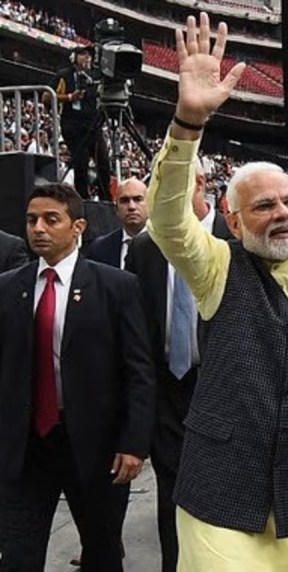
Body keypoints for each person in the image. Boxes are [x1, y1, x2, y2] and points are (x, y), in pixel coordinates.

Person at [145, 13, 288, 571]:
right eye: (264, 205)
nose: (284, 214)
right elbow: (169, 223)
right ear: (232, 216)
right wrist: (187, 125)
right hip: (223, 495)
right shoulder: (217, 266)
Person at [0, 182, 155, 572]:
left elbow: (138, 371)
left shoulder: (116, 286)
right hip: (26, 446)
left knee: (101, 552)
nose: (38, 228)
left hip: (95, 446)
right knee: (18, 554)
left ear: (78, 226)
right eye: (32, 219)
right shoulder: (8, 288)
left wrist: (134, 443)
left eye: (51, 219)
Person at [125, 156, 232, 572]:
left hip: (226, 389)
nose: (161, 196)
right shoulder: (146, 247)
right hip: (169, 389)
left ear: (201, 183)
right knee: (172, 495)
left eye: (172, 183)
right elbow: (139, 330)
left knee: (228, 498)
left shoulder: (236, 242)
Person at [48, 45, 111, 200]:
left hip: (93, 124)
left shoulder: (95, 76)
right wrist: (70, 97)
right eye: (82, 54)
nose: (86, 58)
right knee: (81, 161)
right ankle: (83, 198)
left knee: (103, 161)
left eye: (89, 55)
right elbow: (47, 97)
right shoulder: (64, 75)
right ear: (74, 57)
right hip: (72, 124)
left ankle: (105, 198)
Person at [85, 178, 149, 268]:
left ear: (150, 204)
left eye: (138, 199)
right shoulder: (99, 248)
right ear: (116, 209)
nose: (131, 207)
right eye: (124, 201)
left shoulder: (164, 246)